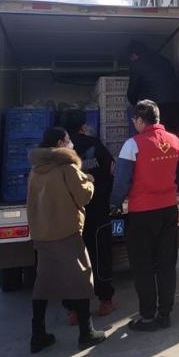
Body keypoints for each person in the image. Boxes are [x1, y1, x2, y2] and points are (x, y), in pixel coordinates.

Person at [27, 127, 106, 353]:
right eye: (68, 140)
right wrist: (89, 180)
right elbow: (84, 196)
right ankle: (86, 332)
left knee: (43, 283)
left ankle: (37, 335)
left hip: (42, 234)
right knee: (81, 279)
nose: (71, 143)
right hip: (66, 232)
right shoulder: (67, 168)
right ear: (61, 143)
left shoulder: (36, 169)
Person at [111, 99, 179, 330]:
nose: (134, 123)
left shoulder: (132, 144)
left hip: (142, 212)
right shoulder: (176, 141)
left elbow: (121, 181)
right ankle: (165, 314)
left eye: (134, 119)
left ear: (141, 120)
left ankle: (147, 316)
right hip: (169, 209)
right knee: (166, 263)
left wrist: (114, 203)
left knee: (142, 265)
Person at [64, 110, 116, 318]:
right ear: (84, 126)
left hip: (70, 214)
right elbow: (112, 170)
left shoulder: (59, 152)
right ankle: (105, 301)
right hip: (97, 210)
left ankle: (74, 311)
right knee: (101, 254)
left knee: (73, 260)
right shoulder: (95, 145)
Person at [126, 40, 179, 136]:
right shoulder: (164, 60)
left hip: (159, 107)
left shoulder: (137, 64)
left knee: (154, 137)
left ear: (134, 55)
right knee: (170, 135)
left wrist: (133, 104)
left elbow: (133, 91)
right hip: (177, 104)